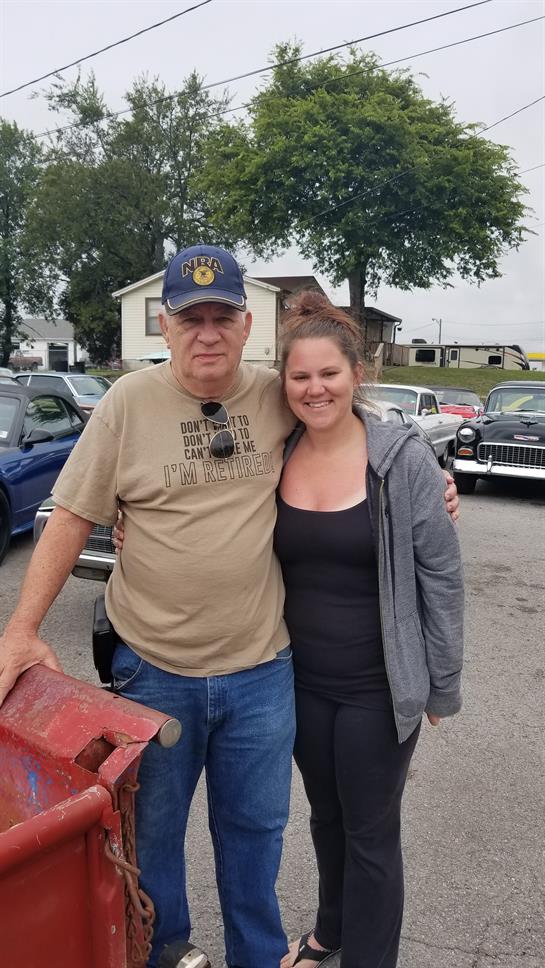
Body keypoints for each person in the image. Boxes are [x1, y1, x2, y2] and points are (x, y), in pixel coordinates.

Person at [0, 246, 459, 968]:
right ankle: (169, 951)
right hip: (154, 672)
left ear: (247, 325)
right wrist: (22, 630)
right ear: (166, 326)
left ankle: (254, 956)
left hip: (262, 673)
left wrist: (425, 478)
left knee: (254, 836)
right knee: (150, 840)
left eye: (221, 317)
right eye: (190, 319)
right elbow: (69, 516)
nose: (206, 333)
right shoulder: (126, 404)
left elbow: (342, 415)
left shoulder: (274, 393)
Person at [269, 292, 464, 968]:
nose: (314, 388)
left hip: (375, 688)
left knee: (370, 834)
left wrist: (441, 686)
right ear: (284, 382)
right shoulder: (276, 451)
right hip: (296, 682)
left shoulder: (399, 460)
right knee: (325, 818)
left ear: (357, 374)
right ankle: (331, 930)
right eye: (299, 376)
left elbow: (440, 575)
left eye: (328, 374)